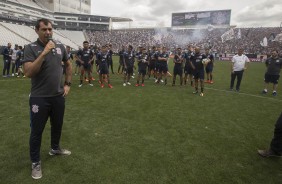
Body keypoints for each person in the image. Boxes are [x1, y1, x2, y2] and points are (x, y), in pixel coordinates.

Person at [23, 18, 72, 180]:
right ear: (37, 30)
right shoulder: (30, 48)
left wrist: (67, 84)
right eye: (44, 29)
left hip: (58, 97)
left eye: (50, 29)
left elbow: (68, 64)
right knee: (37, 132)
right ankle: (35, 162)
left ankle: (55, 148)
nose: (48, 32)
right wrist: (43, 53)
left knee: (57, 126)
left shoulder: (59, 46)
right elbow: (29, 72)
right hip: (39, 98)